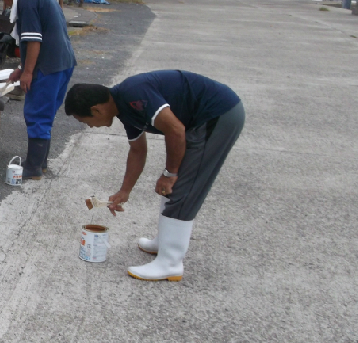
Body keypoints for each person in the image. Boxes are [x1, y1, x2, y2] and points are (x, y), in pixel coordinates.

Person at [64, 70, 245, 281]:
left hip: (218, 114)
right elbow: (138, 150)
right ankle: (165, 242)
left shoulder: (134, 95)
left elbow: (175, 130)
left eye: (84, 120)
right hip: (203, 118)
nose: (88, 126)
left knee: (183, 187)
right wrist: (124, 191)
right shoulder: (123, 108)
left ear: (96, 109)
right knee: (172, 186)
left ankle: (170, 263)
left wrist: (170, 173)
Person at [0, 0, 76, 179]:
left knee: (36, 114)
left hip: (48, 66)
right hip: (62, 62)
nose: (4, 3)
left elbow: (33, 40)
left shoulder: (27, 0)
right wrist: (22, 68)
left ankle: (33, 168)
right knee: (45, 114)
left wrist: (28, 73)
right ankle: (40, 163)